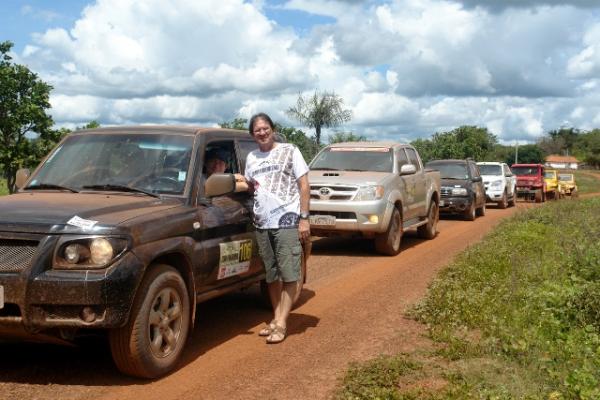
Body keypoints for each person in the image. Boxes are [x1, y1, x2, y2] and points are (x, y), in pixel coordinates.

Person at [242, 112, 310, 344]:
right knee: (271, 275)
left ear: (272, 128)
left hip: (287, 220)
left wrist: (304, 218)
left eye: (265, 128)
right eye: (257, 130)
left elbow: (304, 184)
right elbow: (252, 187)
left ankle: (281, 323)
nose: (262, 133)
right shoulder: (251, 157)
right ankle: (276, 318)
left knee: (289, 272)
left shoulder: (290, 150)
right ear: (252, 134)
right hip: (262, 223)